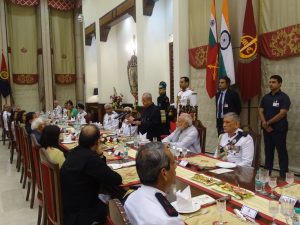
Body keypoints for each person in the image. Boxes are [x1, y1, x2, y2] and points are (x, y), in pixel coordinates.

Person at [61, 124, 122, 225]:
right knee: (119, 204)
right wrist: (100, 156)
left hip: (69, 206)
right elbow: (116, 179)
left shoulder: (72, 152)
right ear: (97, 142)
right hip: (83, 214)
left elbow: (100, 172)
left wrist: (100, 156)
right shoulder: (90, 159)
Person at [124, 142, 184, 225]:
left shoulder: (131, 198)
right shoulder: (168, 220)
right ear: (164, 173)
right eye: (173, 163)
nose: (176, 167)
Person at [258, 75, 291, 177]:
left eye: (273, 82)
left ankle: (283, 175)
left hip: (279, 130)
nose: (271, 84)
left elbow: (282, 113)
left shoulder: (284, 97)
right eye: (270, 82)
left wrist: (268, 123)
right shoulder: (266, 97)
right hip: (267, 130)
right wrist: (264, 123)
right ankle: (267, 174)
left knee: (281, 152)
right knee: (268, 152)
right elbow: (260, 110)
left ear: (280, 84)